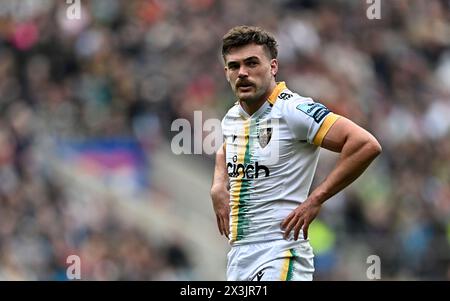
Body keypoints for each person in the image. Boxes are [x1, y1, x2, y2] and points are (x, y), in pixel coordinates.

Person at [210, 25, 382, 281]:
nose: (242, 73)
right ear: (226, 73)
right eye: (234, 66)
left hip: (280, 253)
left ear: (273, 67)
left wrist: (316, 199)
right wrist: (218, 184)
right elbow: (227, 148)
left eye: (252, 63)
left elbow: (365, 144)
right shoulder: (233, 116)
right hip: (239, 256)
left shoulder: (294, 110)